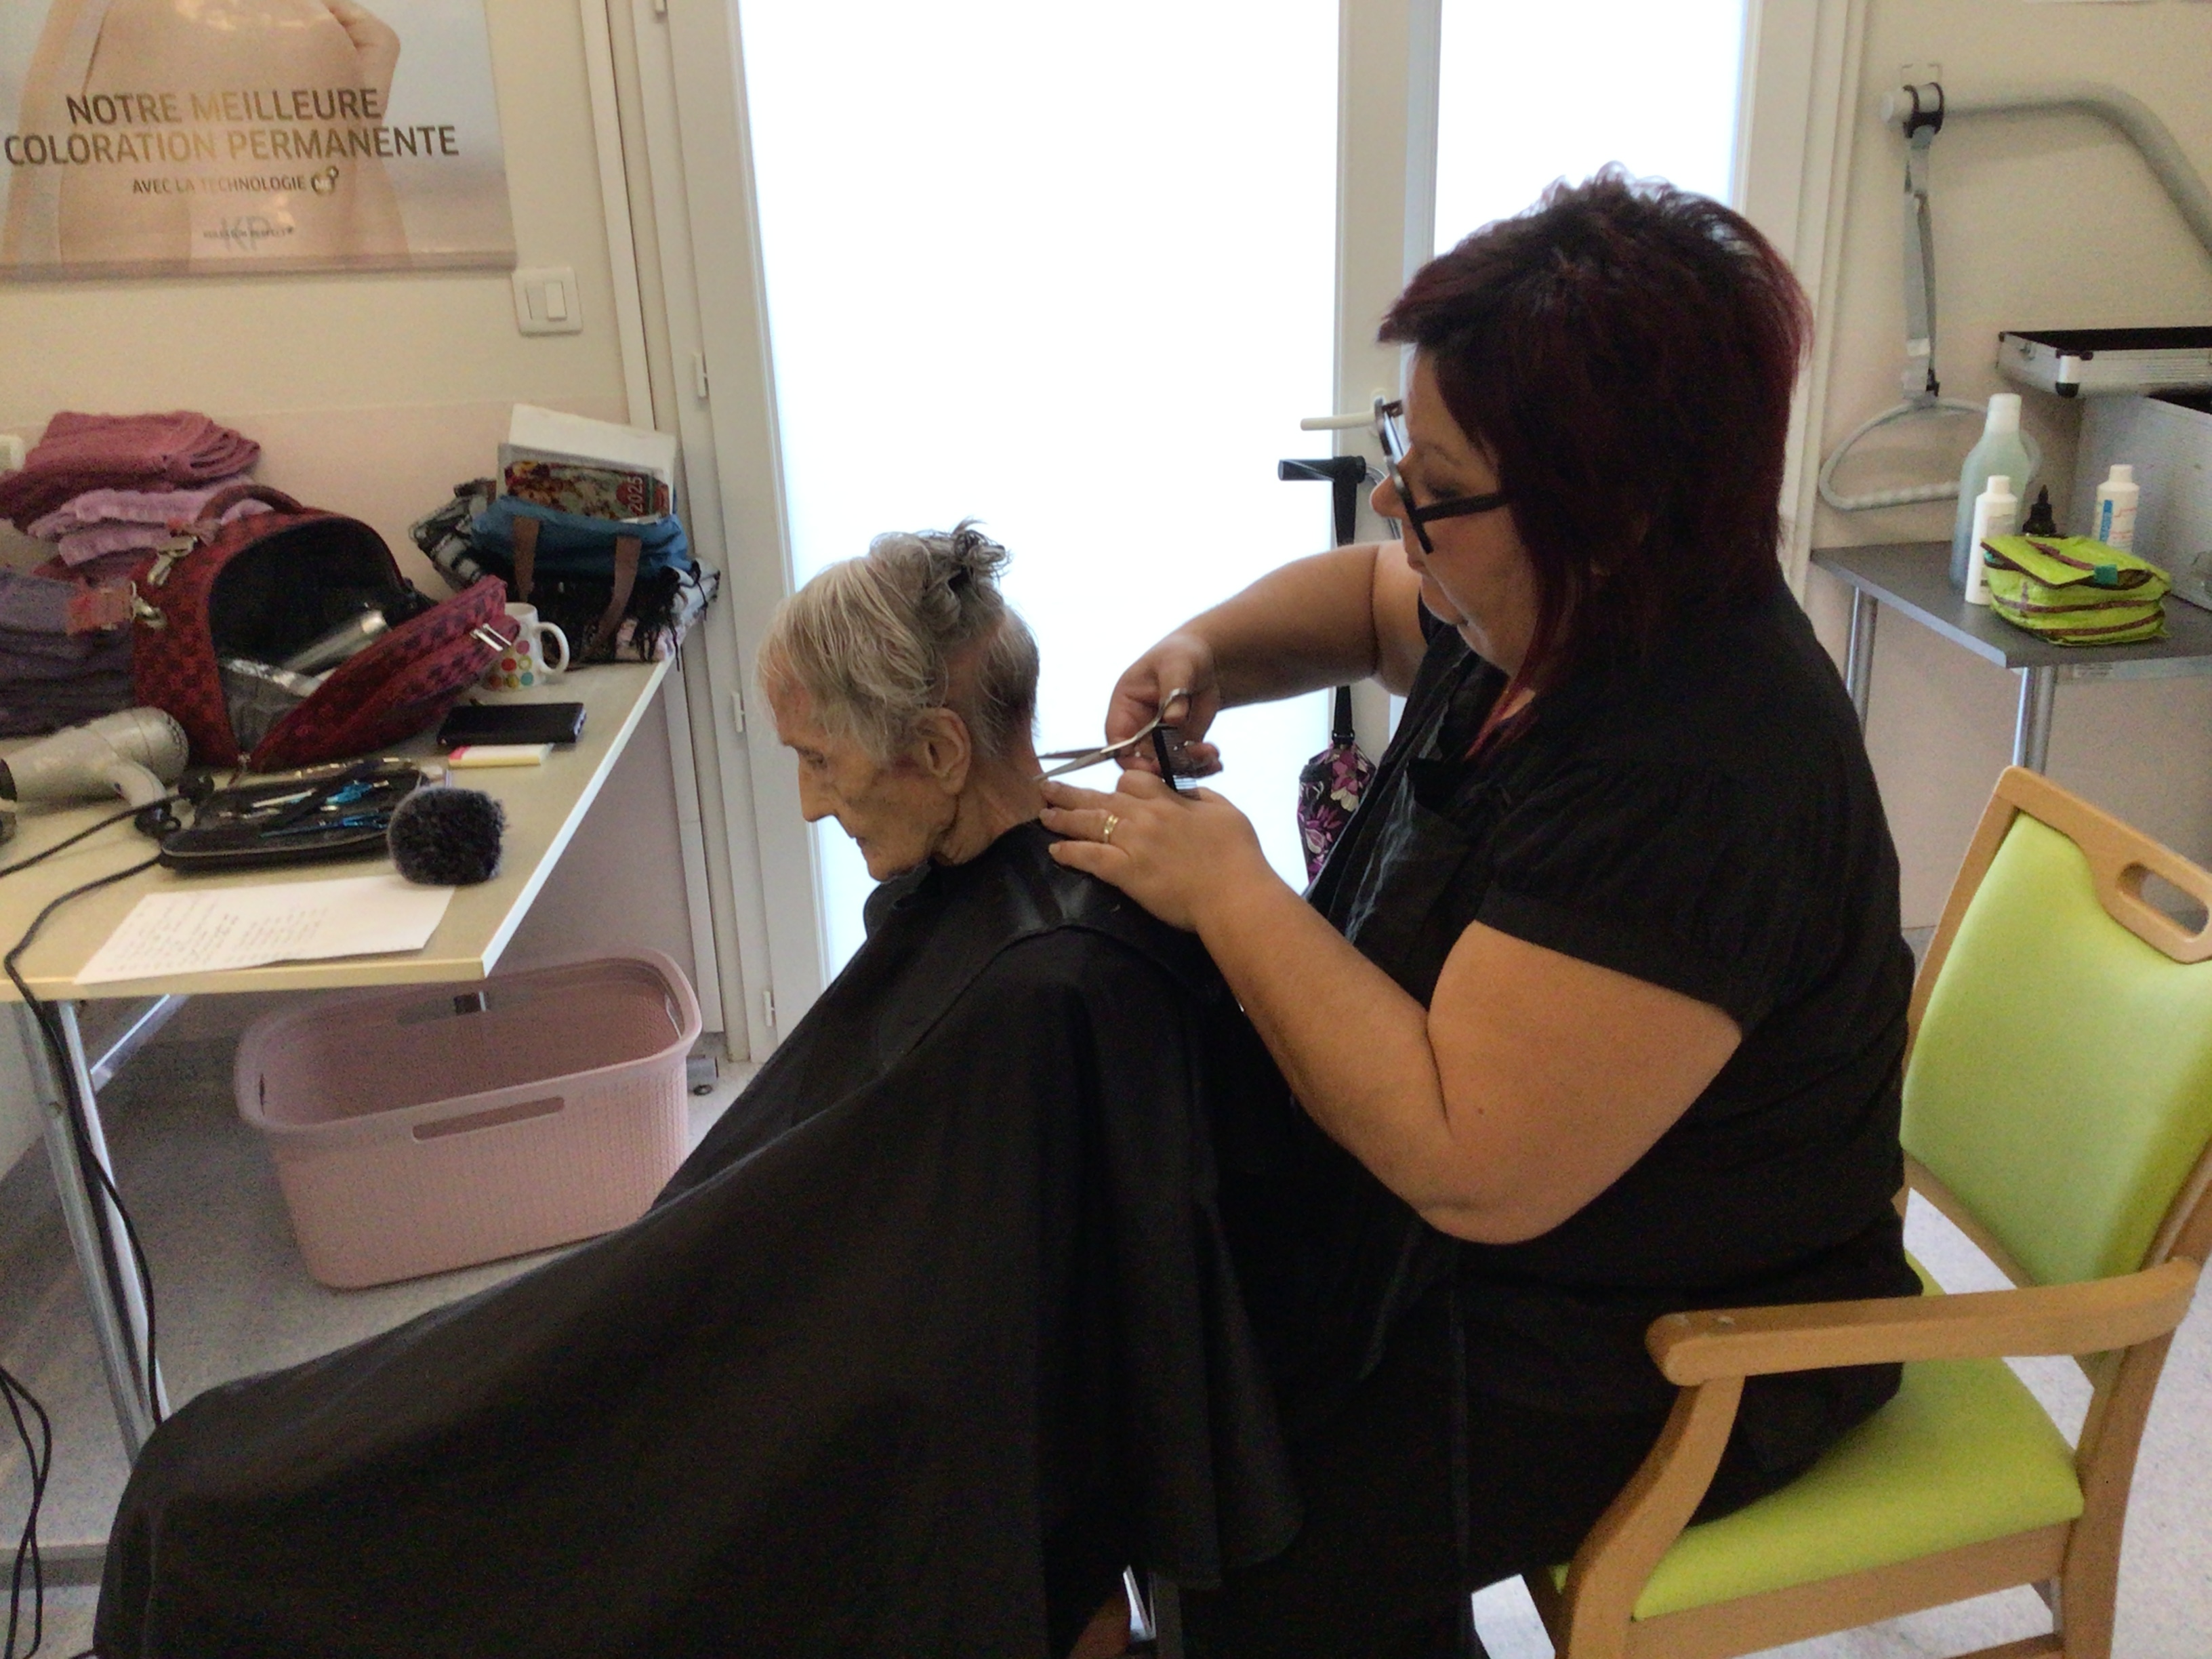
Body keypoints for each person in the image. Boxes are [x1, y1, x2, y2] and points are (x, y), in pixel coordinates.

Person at [96, 525, 1298, 1659]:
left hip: (809, 1367)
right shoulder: (1066, 916)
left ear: (938, 752)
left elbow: (1002, 1397)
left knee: (235, 1498)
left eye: (819, 760)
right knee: (296, 1443)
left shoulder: (1036, 994)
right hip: (795, 1316)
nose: (810, 801)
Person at [1042, 171, 1921, 1656]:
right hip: (1515, 1230)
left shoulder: (1700, 767)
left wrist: (1230, 887)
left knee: (1245, 1500)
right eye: (1403, 451)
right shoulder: (1533, 601)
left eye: (1433, 483)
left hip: (1675, 1329)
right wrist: (1209, 648)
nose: (1398, 506)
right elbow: (1371, 600)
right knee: (1142, 1326)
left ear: (1607, 511)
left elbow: (1466, 1158)